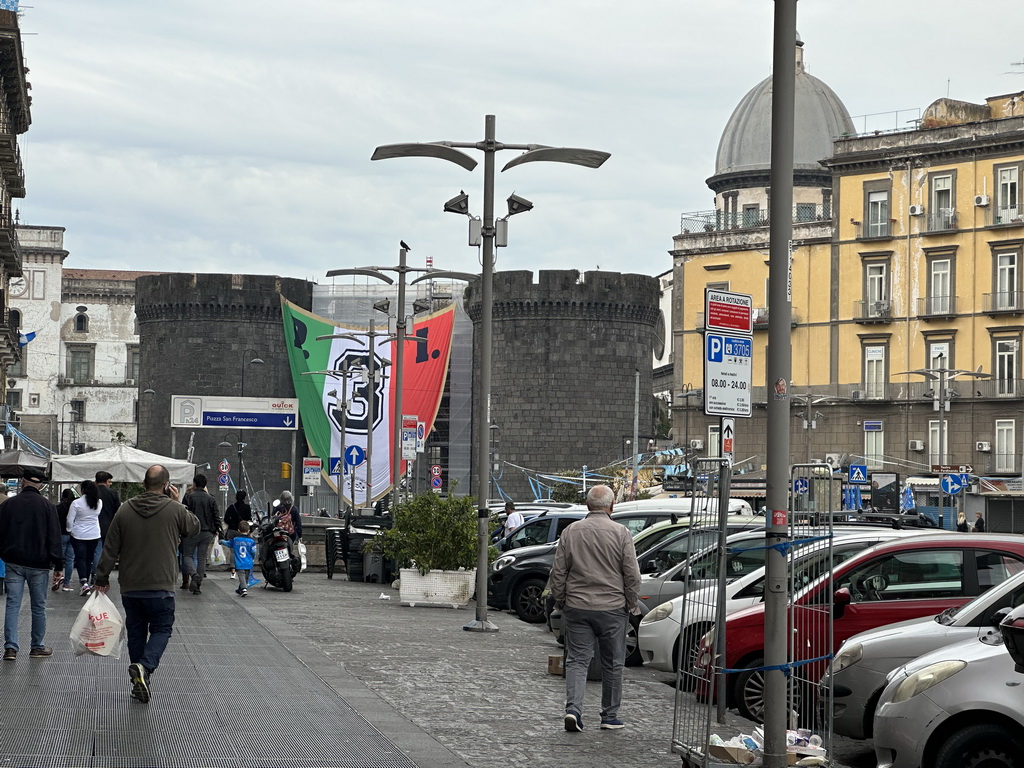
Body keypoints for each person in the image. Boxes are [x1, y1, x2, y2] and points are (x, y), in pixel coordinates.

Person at [94, 465, 200, 703]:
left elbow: (110, 547)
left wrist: (101, 577)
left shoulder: (125, 510)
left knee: (137, 632)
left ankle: (138, 681)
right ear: (166, 485)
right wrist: (179, 502)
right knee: (162, 629)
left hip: (131, 585)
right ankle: (145, 667)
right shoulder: (175, 509)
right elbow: (194, 527)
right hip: (161, 584)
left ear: (143, 484)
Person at [548, 485, 641, 732]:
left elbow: (558, 572)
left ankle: (573, 710)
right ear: (611, 506)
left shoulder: (571, 532)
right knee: (613, 663)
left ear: (588, 505)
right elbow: (632, 574)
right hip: (612, 607)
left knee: (577, 660)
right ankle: (609, 716)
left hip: (577, 606)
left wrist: (561, 600)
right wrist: (631, 603)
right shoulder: (621, 533)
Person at [0, 467, 63, 660]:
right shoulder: (47, 506)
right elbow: (54, 537)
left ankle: (10, 648)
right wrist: (58, 565)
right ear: (41, 486)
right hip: (39, 564)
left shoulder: (9, 504)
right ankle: (37, 646)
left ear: (23, 482)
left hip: (13, 562)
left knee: (12, 604)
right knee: (38, 606)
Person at [180, 474, 221, 595]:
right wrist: (217, 530)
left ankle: (194, 575)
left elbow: (183, 514)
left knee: (187, 555)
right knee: (202, 557)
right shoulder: (211, 498)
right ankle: (197, 585)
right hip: (206, 532)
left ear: (194, 484)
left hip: (191, 532)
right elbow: (216, 516)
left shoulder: (188, 497)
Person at [67, 479, 104, 596]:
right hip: (94, 534)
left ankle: (83, 582)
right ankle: (86, 582)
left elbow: (69, 520)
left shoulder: (76, 503)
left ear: (83, 490)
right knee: (89, 559)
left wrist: (70, 530)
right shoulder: (99, 502)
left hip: (79, 534)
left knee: (80, 558)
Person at [92, 471, 121, 572]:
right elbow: (117, 511)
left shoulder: (92, 493)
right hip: (108, 526)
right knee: (103, 552)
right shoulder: (113, 493)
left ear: (96, 481)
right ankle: (100, 573)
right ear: (106, 481)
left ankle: (93, 574)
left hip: (92, 526)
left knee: (96, 552)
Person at [223, 489, 252, 580]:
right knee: (242, 551)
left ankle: (233, 571)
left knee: (233, 551)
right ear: (244, 498)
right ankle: (242, 569)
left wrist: (232, 522)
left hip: (232, 530)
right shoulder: (247, 507)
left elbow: (226, 519)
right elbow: (249, 518)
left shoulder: (231, 507)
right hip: (242, 531)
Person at [221, 520, 255, 597]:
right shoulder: (251, 541)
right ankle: (241, 588)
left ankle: (243, 589)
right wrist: (252, 558)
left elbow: (228, 543)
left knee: (241, 576)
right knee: (245, 577)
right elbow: (254, 551)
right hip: (249, 562)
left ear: (238, 530)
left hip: (240, 562)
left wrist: (221, 541)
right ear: (249, 531)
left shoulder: (236, 540)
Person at [54, 488, 77, 592]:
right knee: (70, 560)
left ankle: (56, 580)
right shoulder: (74, 507)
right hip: (72, 535)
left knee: (59, 559)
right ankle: (66, 584)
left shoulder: (57, 508)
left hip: (61, 535)